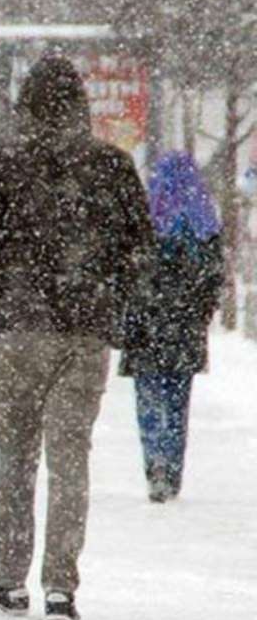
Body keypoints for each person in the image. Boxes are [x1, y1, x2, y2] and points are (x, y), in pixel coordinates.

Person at [0, 55, 154, 620]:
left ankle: (9, 577)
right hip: (85, 330)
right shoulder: (111, 165)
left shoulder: (6, 162)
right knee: (71, 460)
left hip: (20, 328)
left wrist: (17, 265)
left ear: (27, 105)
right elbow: (140, 246)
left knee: (16, 456)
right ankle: (60, 585)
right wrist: (98, 277)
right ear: (82, 105)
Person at [120, 151, 224, 503]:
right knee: (178, 402)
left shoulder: (147, 215)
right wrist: (200, 312)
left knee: (148, 398)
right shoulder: (204, 221)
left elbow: (128, 270)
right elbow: (213, 277)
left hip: (146, 324)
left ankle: (155, 465)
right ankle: (173, 468)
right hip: (185, 327)